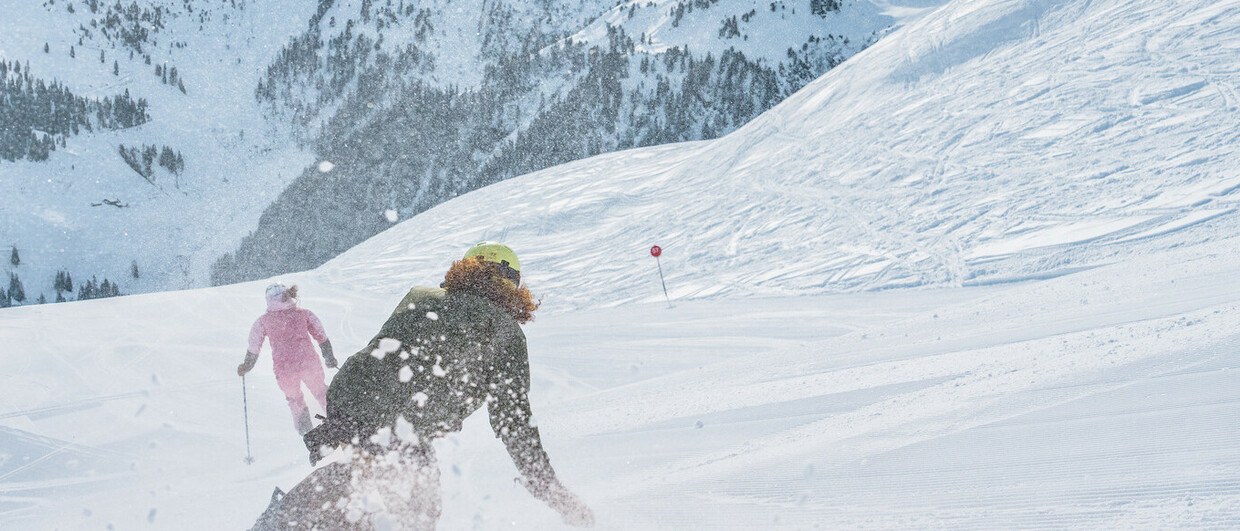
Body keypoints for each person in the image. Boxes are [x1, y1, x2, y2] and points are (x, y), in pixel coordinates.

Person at [251, 243, 594, 530]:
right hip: (396, 422)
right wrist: (550, 489)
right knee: (413, 508)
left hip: (348, 397)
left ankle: (288, 518)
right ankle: (292, 521)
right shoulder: (505, 332)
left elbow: (391, 355)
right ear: (514, 288)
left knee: (374, 480)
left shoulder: (422, 295)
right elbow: (513, 423)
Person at [238, 283, 337, 435]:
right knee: (321, 392)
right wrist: (329, 357)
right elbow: (321, 335)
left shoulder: (263, 321)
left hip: (284, 369)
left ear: (268, 300)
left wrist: (246, 366)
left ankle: (307, 434)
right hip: (308, 362)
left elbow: (253, 347)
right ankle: (339, 421)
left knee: (294, 400)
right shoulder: (304, 314)